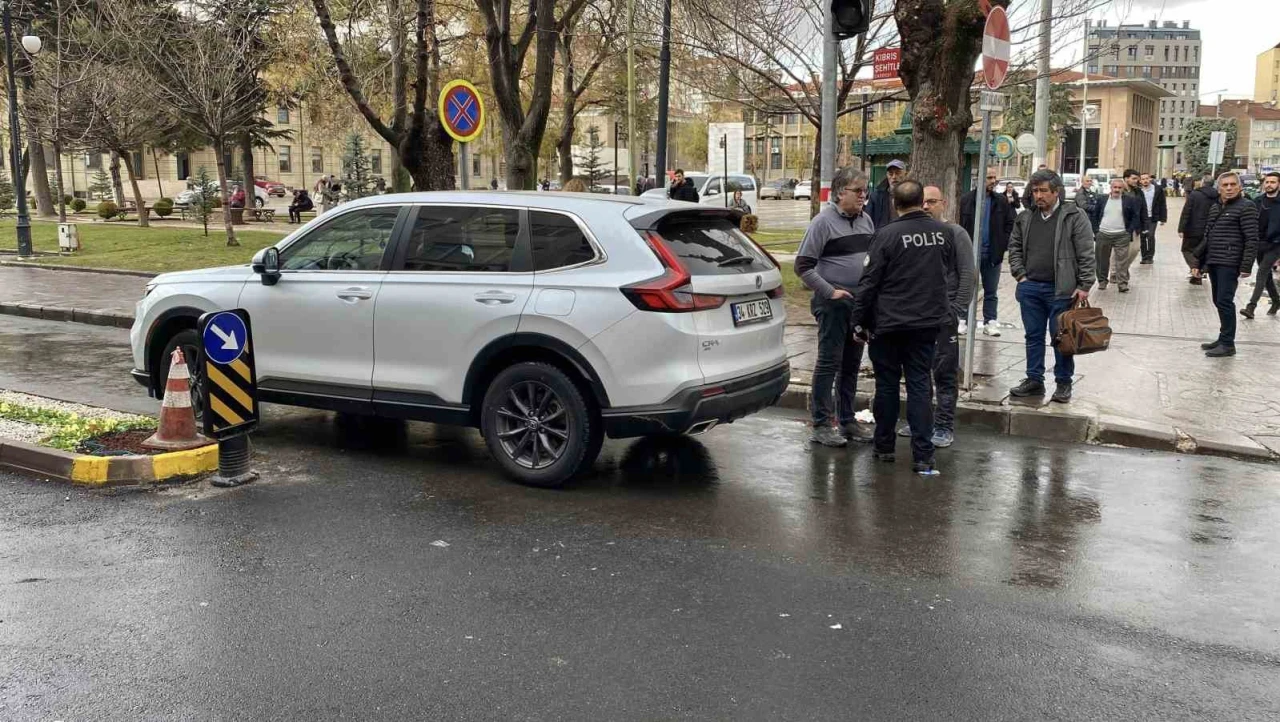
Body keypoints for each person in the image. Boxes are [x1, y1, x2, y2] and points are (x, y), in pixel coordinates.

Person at [850, 180, 956, 473]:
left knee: (887, 385)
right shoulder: (943, 234)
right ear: (923, 201)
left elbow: (870, 281)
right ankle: (924, 455)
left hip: (890, 323)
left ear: (895, 204)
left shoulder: (886, 234)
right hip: (927, 323)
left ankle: (884, 447)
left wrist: (858, 320)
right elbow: (946, 273)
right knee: (921, 385)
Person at [794, 167, 876, 448]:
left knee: (852, 364)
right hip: (832, 304)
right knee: (829, 362)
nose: (863, 195)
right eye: (858, 191)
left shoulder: (866, 221)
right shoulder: (823, 222)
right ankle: (821, 423)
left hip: (858, 303)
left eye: (865, 190)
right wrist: (831, 292)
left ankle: (847, 419)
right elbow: (802, 266)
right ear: (841, 192)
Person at [1007, 169, 1095, 403]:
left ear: (1056, 192)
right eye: (1035, 191)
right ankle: (1034, 380)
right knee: (1033, 336)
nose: (1038, 195)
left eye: (1043, 191)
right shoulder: (1025, 217)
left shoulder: (1074, 216)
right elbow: (1014, 247)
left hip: (1062, 290)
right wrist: (1020, 275)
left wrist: (1085, 284)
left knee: (1061, 338)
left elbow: (1086, 252)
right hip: (1031, 288)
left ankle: (1063, 383)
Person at [903, 184, 975, 449]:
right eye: (923, 202)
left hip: (944, 317)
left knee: (944, 373)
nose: (926, 207)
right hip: (916, 317)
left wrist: (957, 309)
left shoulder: (955, 233)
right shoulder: (913, 235)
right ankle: (918, 420)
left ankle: (944, 425)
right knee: (916, 372)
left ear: (943, 204)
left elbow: (968, 273)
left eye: (932, 202)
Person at [1195, 172, 1259, 357]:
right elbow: (1208, 236)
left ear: (1239, 187)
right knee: (1218, 300)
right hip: (1215, 260)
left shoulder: (1247, 207)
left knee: (1224, 301)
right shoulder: (1215, 207)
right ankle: (1223, 338)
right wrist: (1200, 263)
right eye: (1225, 185)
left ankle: (1228, 344)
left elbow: (1252, 238)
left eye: (1232, 185)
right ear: (1219, 188)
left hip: (1230, 262)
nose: (1229, 188)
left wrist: (1246, 266)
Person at [959, 169, 1015, 337]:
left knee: (991, 291)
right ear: (980, 179)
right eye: (989, 177)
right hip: (970, 254)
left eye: (994, 178)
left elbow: (1009, 223)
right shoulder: (966, 200)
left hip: (992, 254)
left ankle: (990, 321)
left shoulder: (1001, 201)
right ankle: (963, 319)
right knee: (967, 288)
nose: (993, 181)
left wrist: (1002, 244)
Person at [1088, 178, 1142, 292]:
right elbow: (1095, 215)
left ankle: (1122, 283)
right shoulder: (1102, 199)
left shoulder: (1129, 200)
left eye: (1119, 187)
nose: (1117, 190)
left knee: (1122, 261)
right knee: (1102, 260)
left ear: (1123, 189)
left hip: (1122, 235)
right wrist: (1096, 231)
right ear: (1111, 188)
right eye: (1115, 187)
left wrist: (1129, 231)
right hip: (1103, 234)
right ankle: (1102, 281)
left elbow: (1135, 216)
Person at [1243, 171, 1280, 318]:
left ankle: (1251, 307)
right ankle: (1276, 301)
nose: (1269, 185)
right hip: (1259, 243)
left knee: (1261, 273)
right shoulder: (1257, 201)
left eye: (1273, 182)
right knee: (1266, 276)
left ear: (1279, 184)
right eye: (1267, 182)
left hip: (1275, 244)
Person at [1178, 174, 1217, 284]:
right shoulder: (1218, 195)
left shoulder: (1195, 195)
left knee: (1187, 250)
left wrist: (1181, 228)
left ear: (1202, 182)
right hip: (1209, 229)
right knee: (1202, 251)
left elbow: (1186, 212)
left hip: (1193, 229)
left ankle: (1195, 269)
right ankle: (1199, 273)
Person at [867, 159, 906, 228]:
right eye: (890, 174)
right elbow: (868, 220)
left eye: (897, 173)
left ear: (905, 174)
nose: (894, 177)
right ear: (887, 175)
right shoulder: (876, 196)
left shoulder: (912, 195)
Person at [1138, 172, 1167, 264]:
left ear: (1150, 179)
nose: (1145, 180)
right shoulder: (1138, 191)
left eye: (1147, 178)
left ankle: (1150, 256)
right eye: (1143, 179)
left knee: (1150, 235)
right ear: (1140, 181)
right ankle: (1144, 256)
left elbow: (1162, 204)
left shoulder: (1157, 189)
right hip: (1141, 218)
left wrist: (1163, 218)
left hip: (1152, 217)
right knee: (1142, 237)